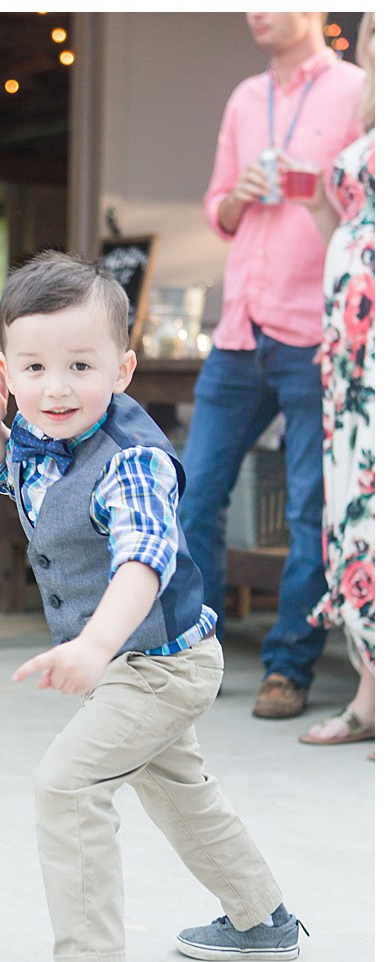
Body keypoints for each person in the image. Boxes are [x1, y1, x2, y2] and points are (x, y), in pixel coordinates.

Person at [0, 251, 300, 962]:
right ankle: (264, 919)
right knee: (182, 795)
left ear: (123, 368)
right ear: (6, 368)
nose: (56, 387)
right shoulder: (39, 437)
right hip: (140, 661)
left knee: (69, 786)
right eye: (35, 366)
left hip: (157, 663)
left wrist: (94, 645)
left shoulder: (133, 462)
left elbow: (144, 559)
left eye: (80, 365)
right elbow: (7, 484)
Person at [180, 12, 366, 720]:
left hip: (315, 327)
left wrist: (313, 188)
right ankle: (195, 656)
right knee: (194, 492)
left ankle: (289, 665)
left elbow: (367, 207)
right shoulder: (241, 97)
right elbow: (218, 208)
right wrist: (237, 196)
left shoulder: (356, 90)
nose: (258, 12)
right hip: (238, 325)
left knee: (311, 507)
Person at [299, 13, 375, 751]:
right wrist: (318, 203)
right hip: (350, 348)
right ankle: (368, 692)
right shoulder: (362, 133)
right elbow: (345, 238)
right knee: (352, 505)